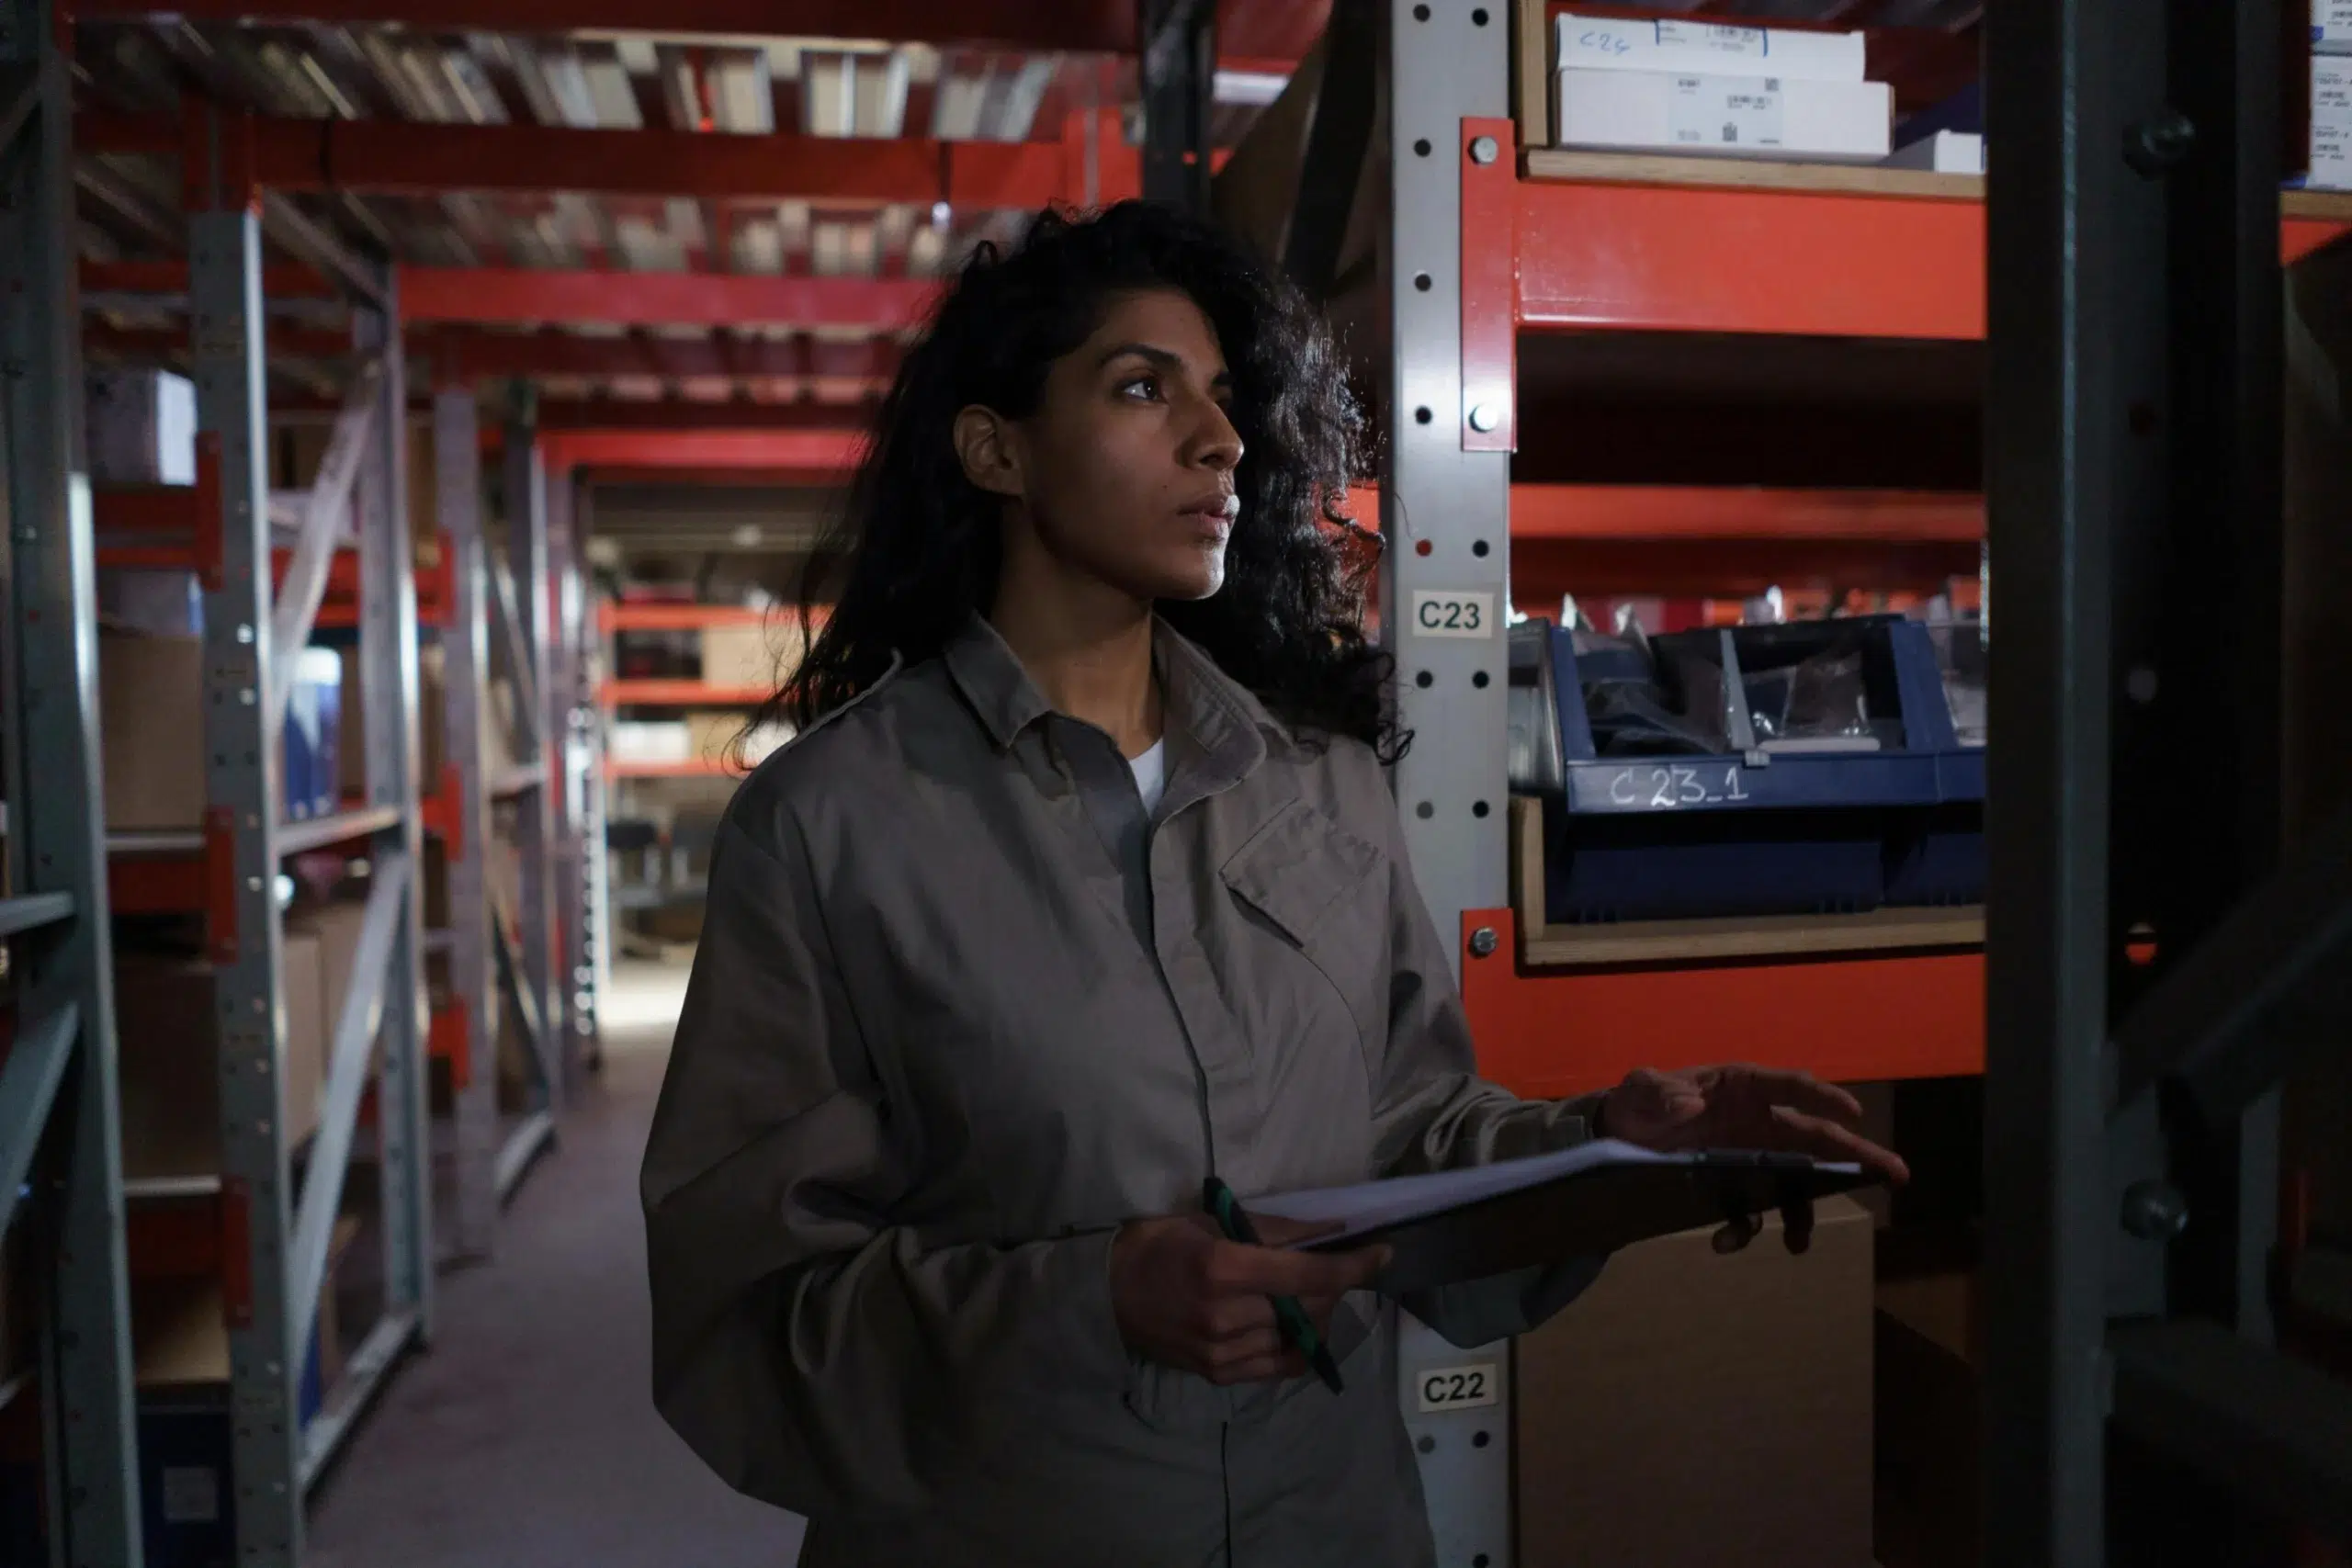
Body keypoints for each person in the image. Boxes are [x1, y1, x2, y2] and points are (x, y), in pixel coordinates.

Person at [639, 201, 1906, 1568]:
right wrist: (1094, 1298)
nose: (1220, 441)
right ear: (995, 448)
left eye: (1229, 404)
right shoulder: (831, 826)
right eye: (1142, 387)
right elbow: (749, 1312)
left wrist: (1616, 1155)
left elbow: (1414, 1151)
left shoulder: (1322, 787)